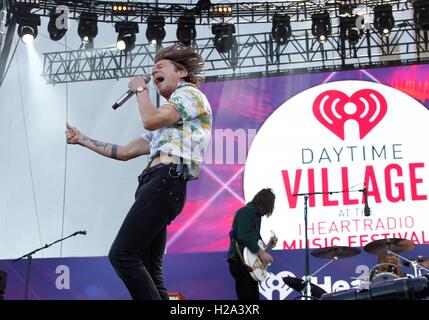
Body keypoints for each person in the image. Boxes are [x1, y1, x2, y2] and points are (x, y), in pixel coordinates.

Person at [65, 43, 212, 300]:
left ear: (182, 73)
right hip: (155, 183)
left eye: (161, 67)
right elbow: (124, 151)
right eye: (153, 70)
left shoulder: (189, 94)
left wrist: (141, 90)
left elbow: (150, 118)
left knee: (122, 254)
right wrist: (82, 139)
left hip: (166, 181)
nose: (154, 72)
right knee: (150, 268)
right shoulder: (168, 126)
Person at [227, 188, 277, 300]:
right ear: (263, 204)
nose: (266, 213)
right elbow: (244, 236)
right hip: (240, 263)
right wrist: (261, 252)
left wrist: (269, 245)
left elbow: (255, 245)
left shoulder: (256, 216)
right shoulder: (246, 212)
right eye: (267, 208)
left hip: (247, 264)